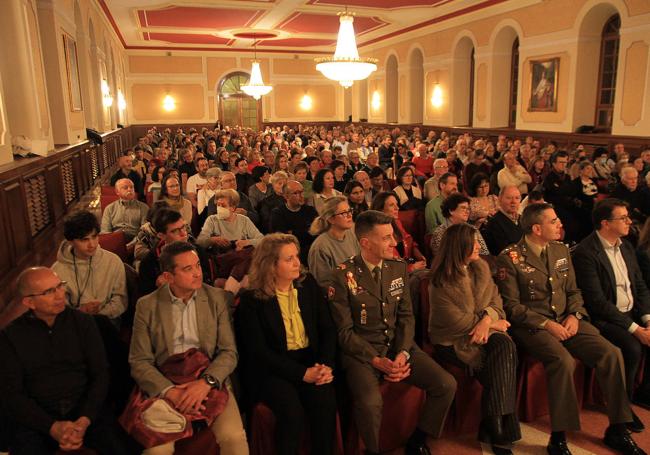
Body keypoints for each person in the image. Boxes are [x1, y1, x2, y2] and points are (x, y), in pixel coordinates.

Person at [495, 203, 643, 455]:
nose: (560, 224)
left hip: (567, 319)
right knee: (563, 361)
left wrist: (575, 315)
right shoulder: (509, 257)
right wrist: (547, 324)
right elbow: (512, 306)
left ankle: (618, 429)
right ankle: (559, 437)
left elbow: (574, 292)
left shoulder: (561, 250)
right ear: (536, 228)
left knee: (611, 353)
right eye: (553, 221)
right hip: (534, 326)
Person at [329, 210, 456, 455]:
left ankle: (418, 439)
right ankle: (372, 451)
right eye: (386, 238)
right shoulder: (343, 276)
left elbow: (407, 316)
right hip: (362, 353)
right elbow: (344, 333)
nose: (394, 242)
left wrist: (403, 354)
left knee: (445, 384)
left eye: (392, 236)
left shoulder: (397, 268)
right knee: (370, 402)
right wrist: (376, 360)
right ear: (365, 243)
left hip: (398, 346)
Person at [129, 242, 249, 455]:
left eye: (198, 266)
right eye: (187, 269)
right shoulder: (147, 306)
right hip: (167, 380)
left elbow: (228, 352)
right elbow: (139, 361)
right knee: (156, 451)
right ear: (168, 277)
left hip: (209, 380)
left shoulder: (215, 299)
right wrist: (170, 392)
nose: (197, 273)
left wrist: (206, 383)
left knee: (234, 438)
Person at [0, 267, 129, 455]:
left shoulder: (83, 322)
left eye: (59, 286)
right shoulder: (10, 336)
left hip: (85, 407)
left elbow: (100, 373)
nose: (60, 295)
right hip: (38, 416)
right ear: (29, 302)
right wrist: (52, 427)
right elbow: (13, 394)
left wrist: (85, 419)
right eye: (49, 292)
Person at [237, 234, 337, 455]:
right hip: (273, 370)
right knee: (291, 412)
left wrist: (325, 365)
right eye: (289, 259)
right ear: (271, 265)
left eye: (297, 256)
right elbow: (258, 352)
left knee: (325, 404)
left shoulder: (307, 284)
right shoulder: (252, 299)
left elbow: (327, 329)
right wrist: (302, 374)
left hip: (310, 360)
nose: (297, 263)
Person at [429, 224, 520, 454]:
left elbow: (496, 302)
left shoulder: (480, 268)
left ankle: (494, 423)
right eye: (474, 242)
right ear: (460, 246)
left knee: (505, 344)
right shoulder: (440, 279)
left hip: (482, 331)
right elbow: (453, 321)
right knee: (501, 361)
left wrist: (487, 322)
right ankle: (496, 428)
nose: (479, 246)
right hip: (452, 341)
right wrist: (488, 322)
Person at [573, 199, 650, 428]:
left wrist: (647, 319)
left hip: (630, 311)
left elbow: (640, 286)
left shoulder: (625, 246)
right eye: (623, 218)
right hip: (605, 318)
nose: (629, 222)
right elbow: (597, 302)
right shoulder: (586, 252)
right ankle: (622, 407)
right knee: (632, 346)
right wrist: (635, 329)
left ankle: (644, 392)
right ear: (606, 223)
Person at [52, 210, 127, 323]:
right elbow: (58, 307)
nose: (92, 244)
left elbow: (121, 300)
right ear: (70, 242)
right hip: (75, 323)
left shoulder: (113, 261)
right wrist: (80, 312)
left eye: (94, 237)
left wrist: (100, 314)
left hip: (107, 320)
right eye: (84, 240)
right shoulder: (57, 271)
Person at [198, 189, 263, 294]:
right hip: (222, 260)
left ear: (233, 208)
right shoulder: (212, 220)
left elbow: (262, 240)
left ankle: (234, 282)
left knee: (251, 253)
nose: (219, 208)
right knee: (248, 256)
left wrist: (246, 242)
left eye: (223, 205)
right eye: (217, 205)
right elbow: (200, 241)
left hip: (241, 257)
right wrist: (213, 240)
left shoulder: (244, 220)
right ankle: (239, 282)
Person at [139, 208, 212, 296]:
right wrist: (159, 288)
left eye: (183, 227)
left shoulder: (198, 252)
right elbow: (145, 298)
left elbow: (207, 286)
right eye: (175, 231)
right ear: (161, 235)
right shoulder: (149, 262)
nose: (183, 234)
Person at [307, 196, 359, 288]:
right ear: (331, 219)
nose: (349, 215)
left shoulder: (352, 234)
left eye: (349, 210)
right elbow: (323, 284)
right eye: (344, 213)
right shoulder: (320, 247)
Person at [371, 191, 426, 272]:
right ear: (380, 209)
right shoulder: (376, 232)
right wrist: (412, 268)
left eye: (396, 204)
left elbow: (409, 240)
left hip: (408, 267)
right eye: (391, 205)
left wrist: (418, 254)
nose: (397, 208)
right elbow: (387, 267)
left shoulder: (396, 222)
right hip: (394, 276)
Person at [270, 180, 318, 265]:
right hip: (291, 254)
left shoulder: (310, 211)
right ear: (286, 196)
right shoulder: (278, 213)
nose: (301, 196)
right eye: (296, 193)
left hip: (312, 251)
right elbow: (283, 239)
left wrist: (294, 232)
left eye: (302, 192)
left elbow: (317, 233)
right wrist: (306, 231)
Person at [430, 193, 489, 258]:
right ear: (451, 211)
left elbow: (485, 252)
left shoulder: (472, 229)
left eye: (468, 209)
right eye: (463, 208)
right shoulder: (441, 233)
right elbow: (444, 259)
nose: (467, 211)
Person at [100, 178, 149, 242]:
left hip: (135, 240)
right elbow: (105, 231)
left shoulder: (143, 207)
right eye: (125, 188)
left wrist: (132, 243)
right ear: (117, 192)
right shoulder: (109, 208)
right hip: (115, 239)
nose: (130, 189)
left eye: (131, 187)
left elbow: (144, 230)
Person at [482, 186, 524, 256]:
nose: (513, 201)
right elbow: (503, 252)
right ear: (499, 200)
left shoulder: (522, 219)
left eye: (517, 198)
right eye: (509, 198)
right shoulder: (494, 223)